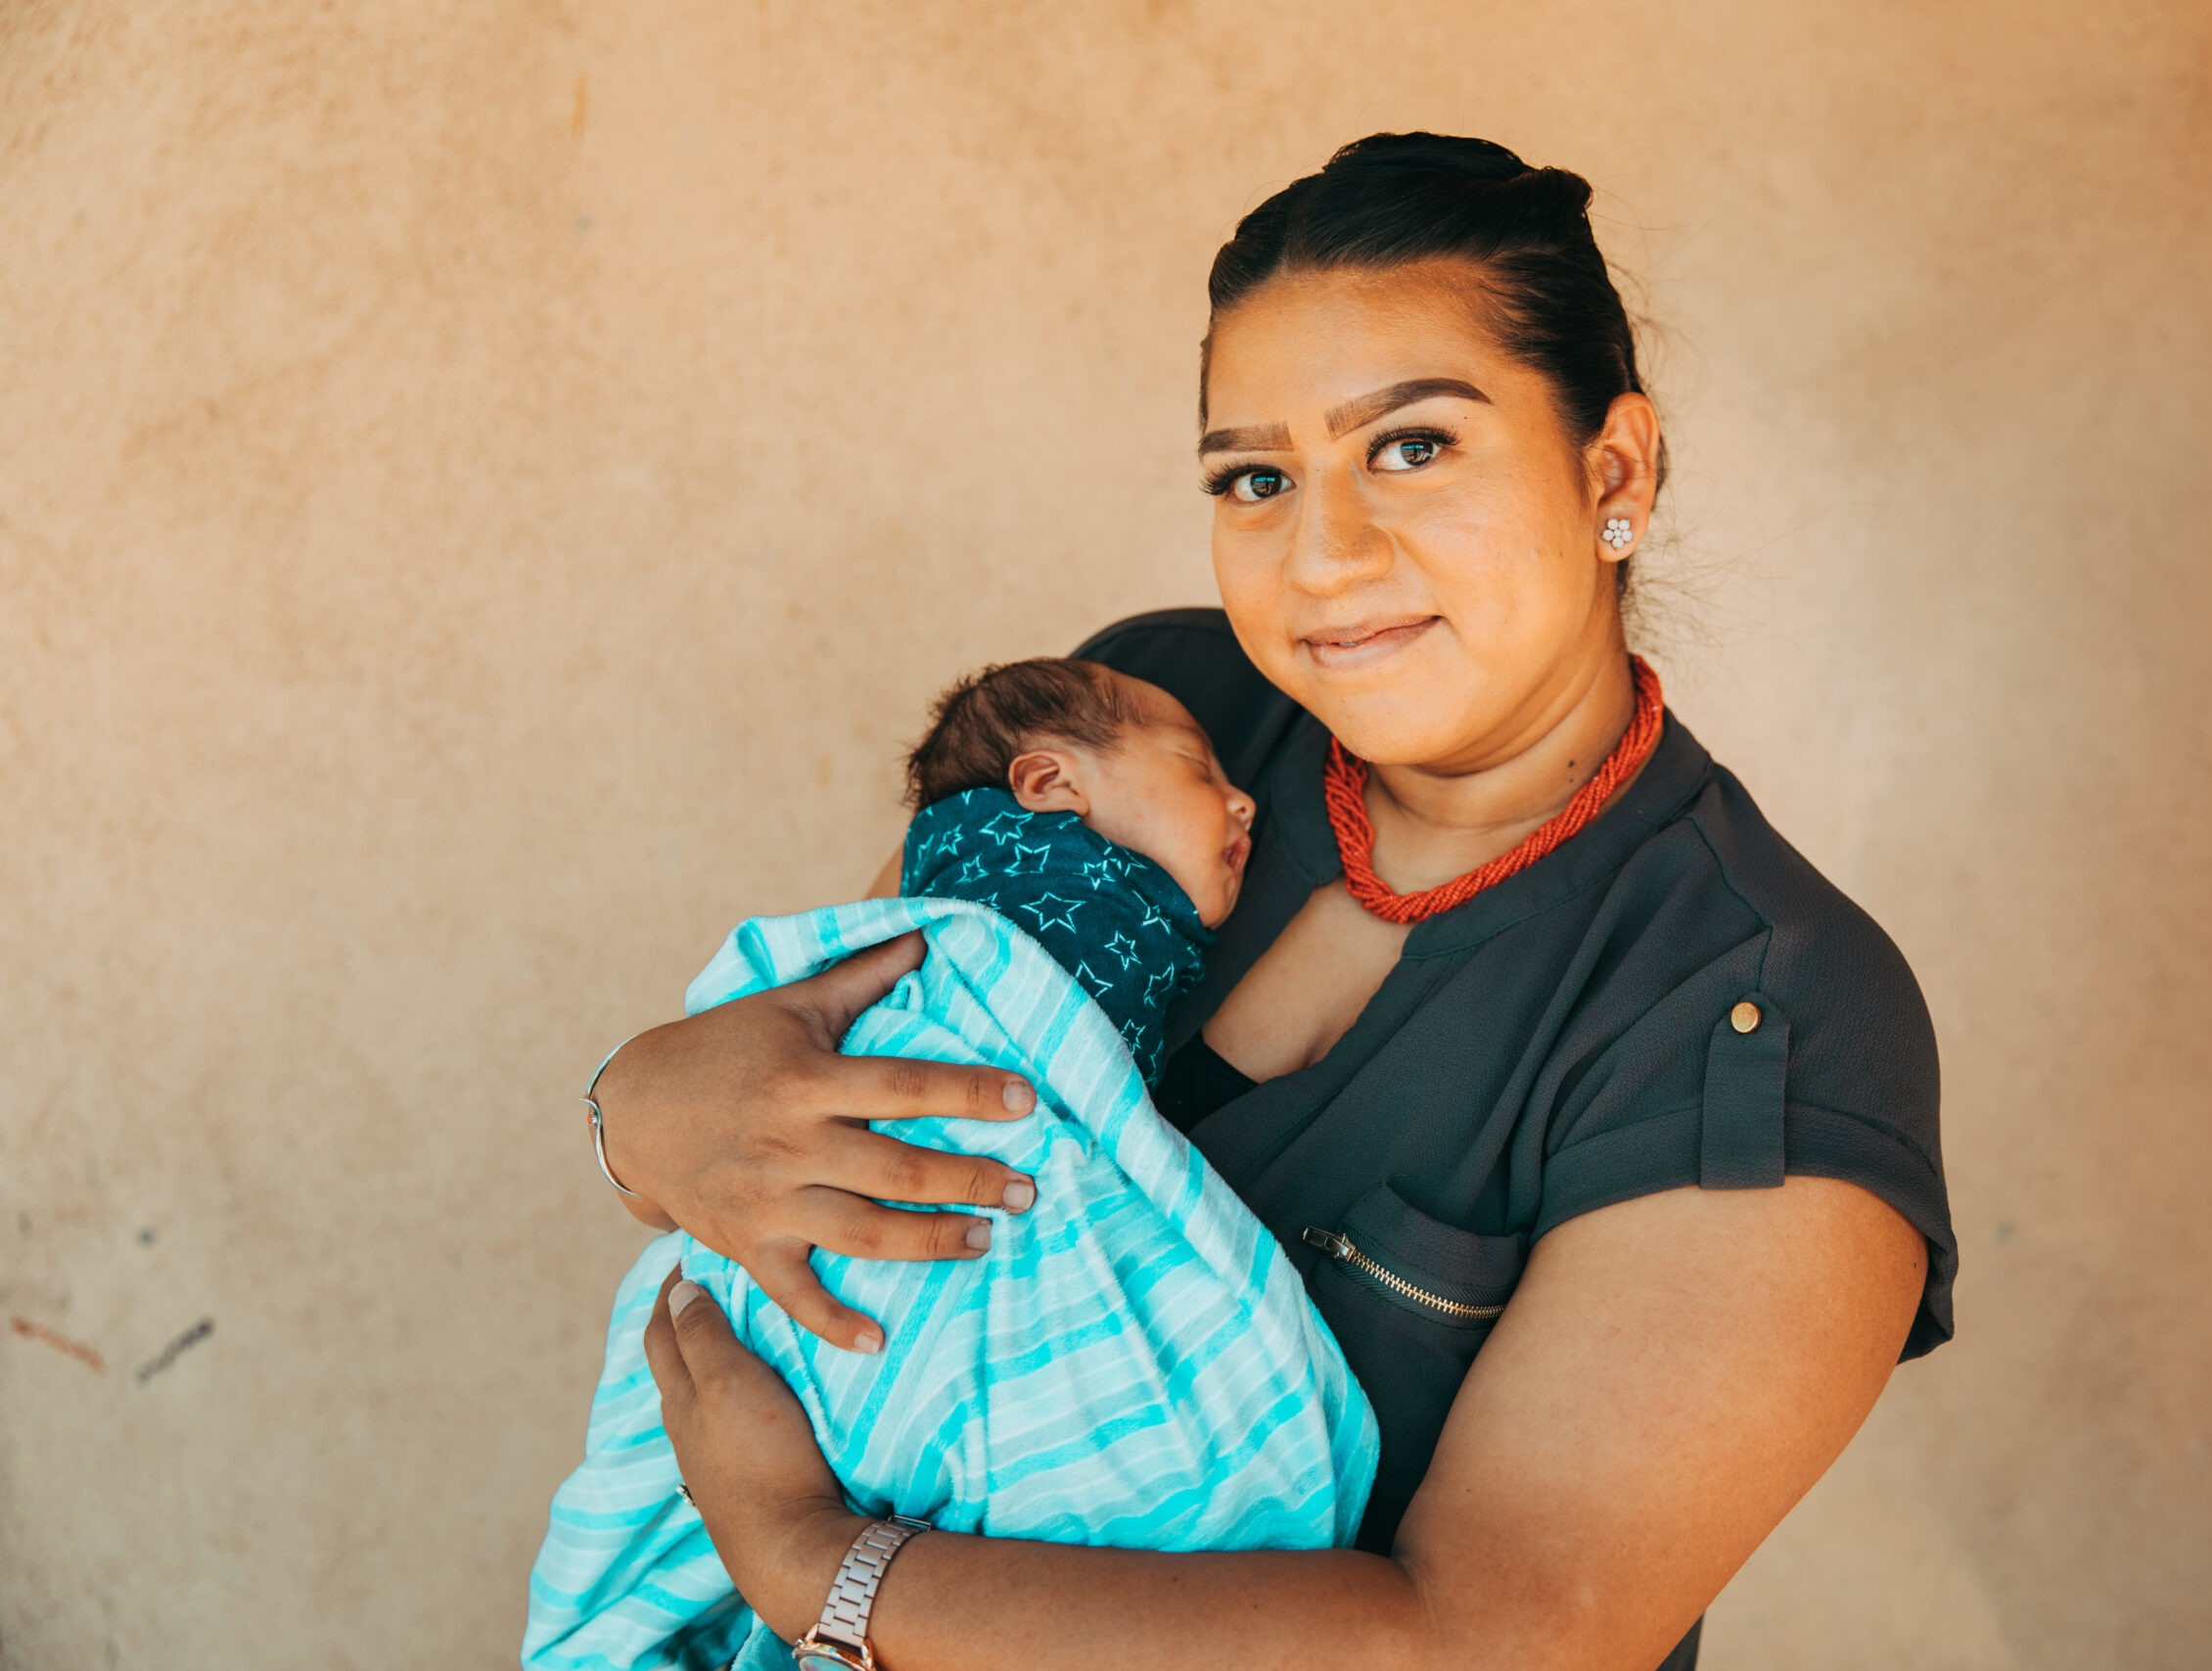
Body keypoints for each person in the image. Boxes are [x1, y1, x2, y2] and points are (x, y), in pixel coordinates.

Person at [582, 132, 1957, 1671]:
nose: (1325, 555)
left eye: (1415, 447)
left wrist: (818, 1566)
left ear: (1612, 470)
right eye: (1256, 477)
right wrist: (638, 1109)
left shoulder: (1763, 1010)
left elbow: (1490, 1642)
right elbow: (808, 1111)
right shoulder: (1153, 715)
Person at [525, 660, 1376, 1670]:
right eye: (1197, 768)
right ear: (1048, 787)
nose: (1240, 798)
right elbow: (783, 1048)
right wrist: (634, 1103)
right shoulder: (989, 900)